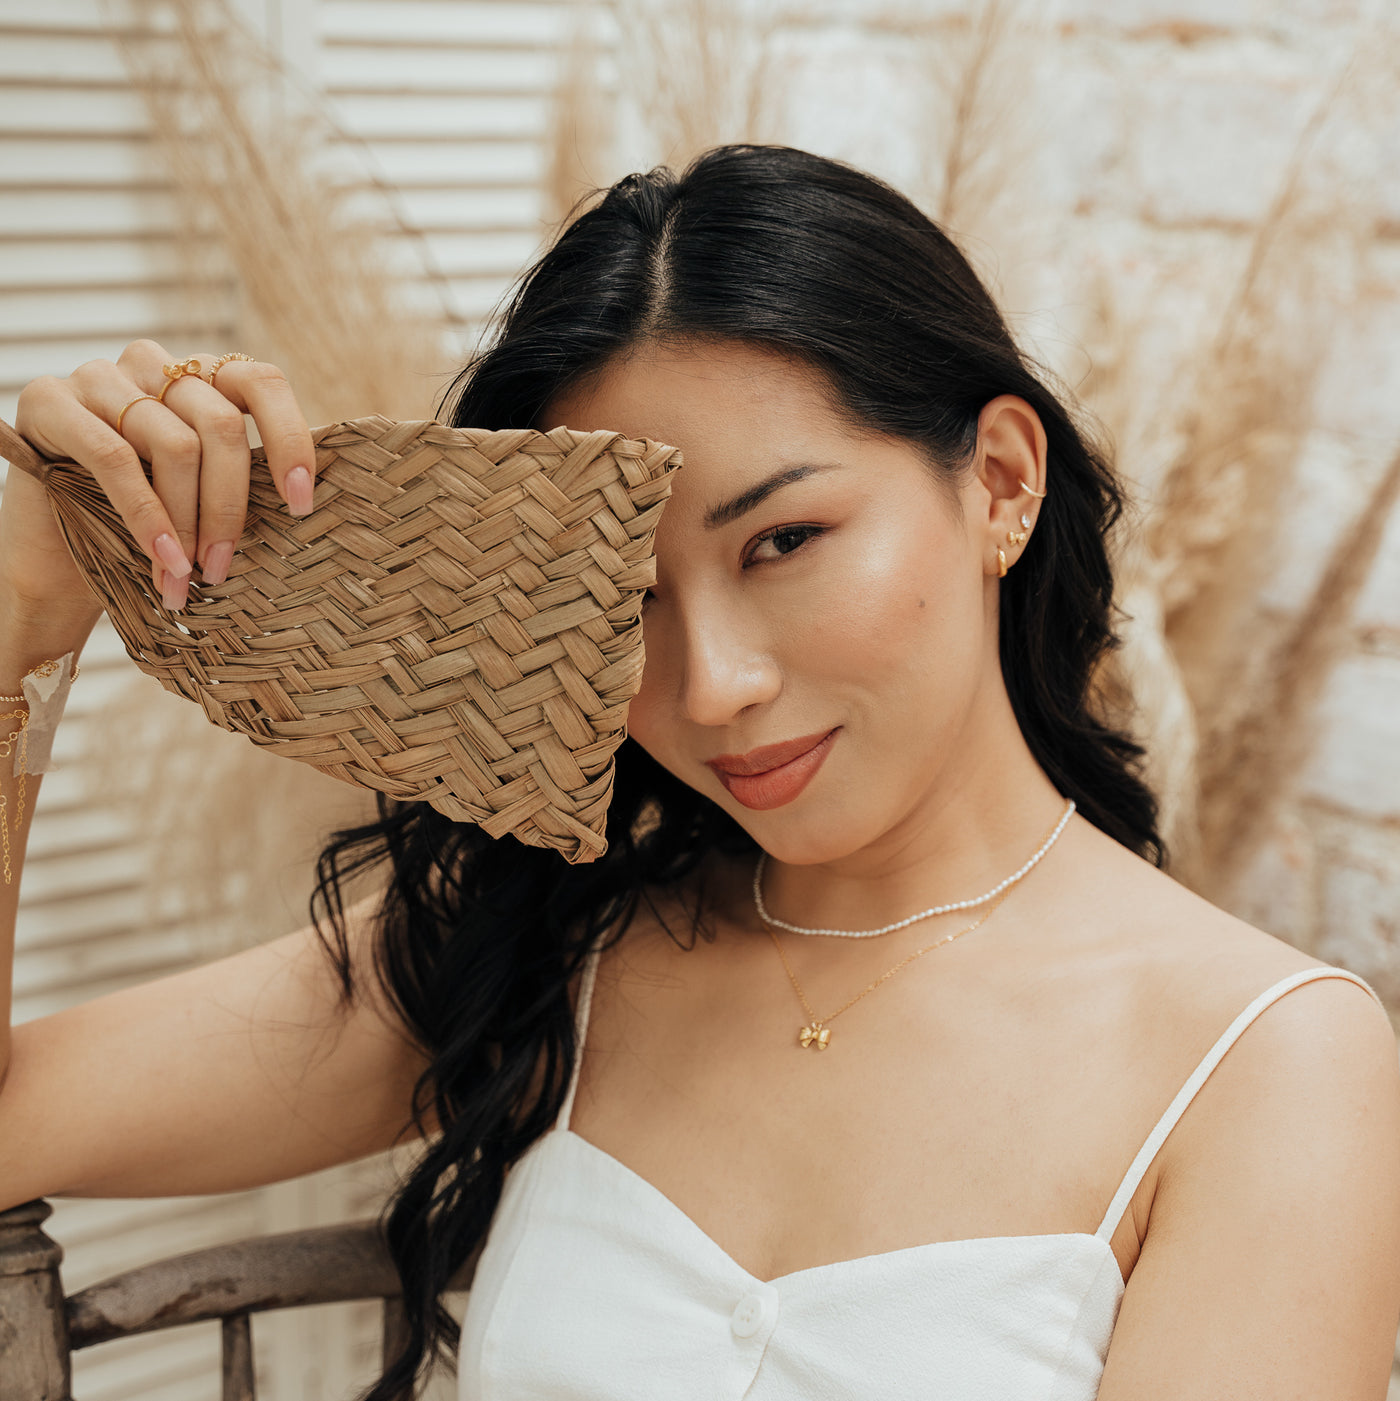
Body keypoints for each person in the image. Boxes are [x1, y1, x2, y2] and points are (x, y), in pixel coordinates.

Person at [1, 143, 1398, 1401]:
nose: (712, 683)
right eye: (629, 600)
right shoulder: (555, 940)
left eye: (783, 540)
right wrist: (29, 588)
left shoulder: (1268, 1068)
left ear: (1003, 484)